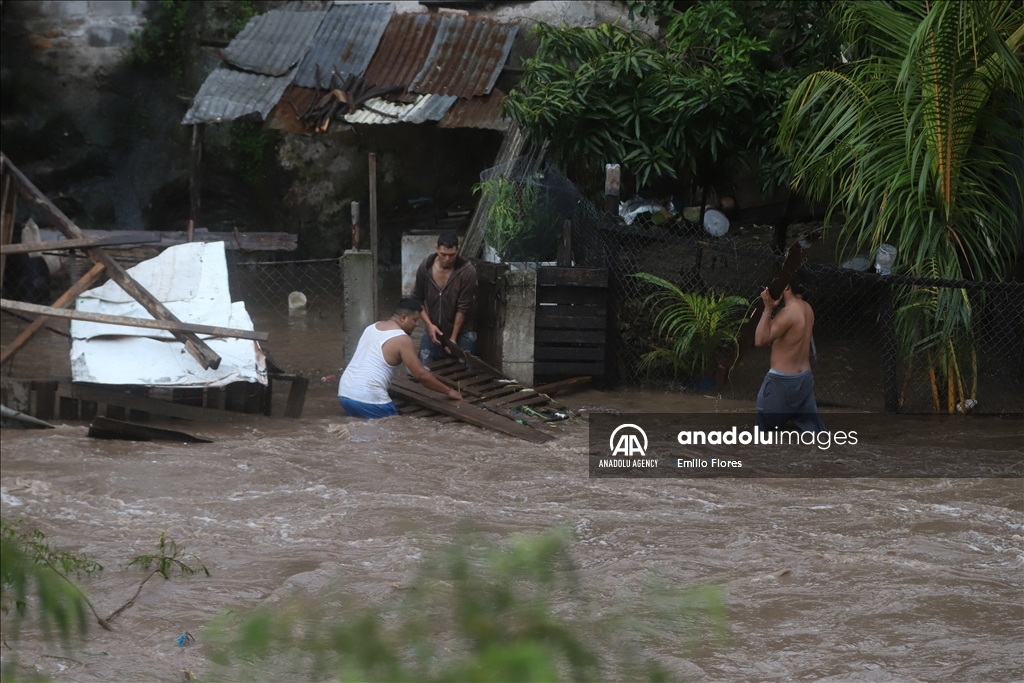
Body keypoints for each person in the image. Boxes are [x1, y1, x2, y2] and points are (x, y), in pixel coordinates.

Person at [338, 298, 461, 418]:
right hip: (369, 400)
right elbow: (421, 375)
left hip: (345, 395)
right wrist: (449, 391)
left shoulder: (371, 327)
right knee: (396, 427)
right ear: (403, 318)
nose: (417, 324)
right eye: (415, 320)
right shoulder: (403, 339)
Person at [753, 273, 826, 432]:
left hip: (781, 382)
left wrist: (767, 309)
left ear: (786, 286)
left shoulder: (788, 312)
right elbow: (787, 340)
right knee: (815, 435)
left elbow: (760, 341)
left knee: (761, 437)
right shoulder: (807, 308)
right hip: (804, 381)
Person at [412, 231, 477, 363]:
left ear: (457, 250)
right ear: (437, 249)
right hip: (434, 329)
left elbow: (463, 307)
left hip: (462, 331)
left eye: (451, 255)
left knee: (467, 372)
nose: (447, 259)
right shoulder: (426, 267)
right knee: (424, 367)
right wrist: (429, 325)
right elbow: (416, 298)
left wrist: (453, 338)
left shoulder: (467, 271)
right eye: (443, 254)